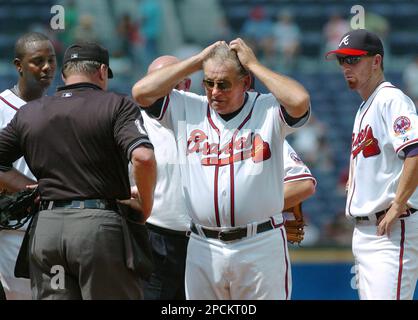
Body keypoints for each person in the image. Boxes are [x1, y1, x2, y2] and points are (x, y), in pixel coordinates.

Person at [132, 38, 310, 300]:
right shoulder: (188, 107)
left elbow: (300, 100)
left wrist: (254, 64)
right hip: (204, 245)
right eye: (209, 83)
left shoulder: (267, 108)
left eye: (223, 84)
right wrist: (197, 60)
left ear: (245, 82)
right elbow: (141, 92)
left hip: (259, 242)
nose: (215, 91)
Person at [0, 42, 157, 300]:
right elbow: (144, 157)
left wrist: (30, 186)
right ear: (103, 71)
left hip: (47, 230)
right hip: (98, 229)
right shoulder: (117, 105)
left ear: (64, 74)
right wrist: (146, 206)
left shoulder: (30, 112)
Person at [326, 29, 418, 300]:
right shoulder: (365, 107)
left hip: (390, 230)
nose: (345, 67)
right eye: (341, 60)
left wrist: (398, 205)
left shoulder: (391, 99)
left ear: (376, 61)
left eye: (353, 60)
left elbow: (415, 151)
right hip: (366, 232)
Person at [0, 32, 57, 300]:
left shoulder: (59, 106)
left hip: (56, 224)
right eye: (37, 61)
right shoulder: (1, 107)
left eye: (51, 60)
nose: (47, 67)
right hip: (14, 228)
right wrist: (38, 191)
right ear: (18, 65)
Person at [138, 55, 191, 300]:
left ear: (186, 85)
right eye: (155, 81)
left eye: (169, 80)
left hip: (204, 240)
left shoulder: (208, 121)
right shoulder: (132, 124)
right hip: (153, 236)